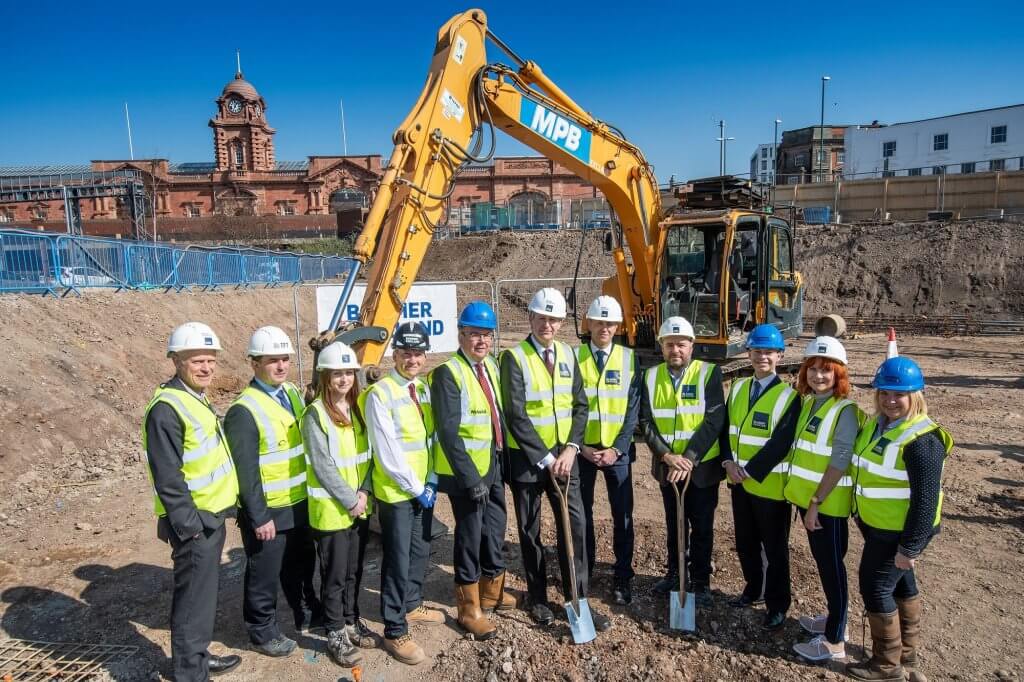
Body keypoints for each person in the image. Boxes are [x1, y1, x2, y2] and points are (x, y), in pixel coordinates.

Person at [499, 287, 611, 633]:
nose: (548, 324)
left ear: (563, 323)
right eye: (542, 317)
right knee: (530, 532)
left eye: (554, 319)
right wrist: (547, 457)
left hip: (566, 461)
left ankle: (577, 598)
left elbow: (580, 406)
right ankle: (538, 598)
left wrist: (572, 448)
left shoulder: (567, 355)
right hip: (530, 462)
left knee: (573, 529)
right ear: (530, 317)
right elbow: (516, 415)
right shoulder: (514, 359)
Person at [142, 322, 241, 681]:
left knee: (202, 598)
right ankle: (189, 673)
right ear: (176, 360)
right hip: (195, 523)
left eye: (210, 360)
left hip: (210, 517)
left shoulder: (192, 397)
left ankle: (196, 657)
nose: (206, 368)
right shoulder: (167, 409)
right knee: (192, 602)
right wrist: (191, 529)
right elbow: (168, 478)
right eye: (197, 360)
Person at [846, 357, 952, 682]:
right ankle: (906, 653)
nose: (890, 400)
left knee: (876, 587)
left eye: (899, 394)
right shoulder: (878, 426)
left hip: (898, 532)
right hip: (880, 526)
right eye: (885, 393)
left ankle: (885, 665)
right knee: (902, 585)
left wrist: (910, 548)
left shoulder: (922, 441)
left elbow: (926, 500)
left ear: (916, 395)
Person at [224, 326, 320, 658]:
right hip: (269, 512)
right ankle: (262, 631)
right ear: (254, 363)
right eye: (272, 360)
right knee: (264, 573)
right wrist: (258, 516)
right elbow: (246, 471)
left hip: (298, 502)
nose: (280, 366)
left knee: (302, 564)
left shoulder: (291, 393)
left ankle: (305, 612)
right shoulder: (244, 410)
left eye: (285, 359)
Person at [431, 301, 517, 641]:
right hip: (467, 472)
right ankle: (469, 610)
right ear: (461, 334)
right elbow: (449, 432)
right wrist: (470, 479)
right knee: (469, 536)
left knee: (495, 528)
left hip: (492, 464)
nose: (481, 341)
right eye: (474, 334)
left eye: (486, 335)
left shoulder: (490, 367)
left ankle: (492, 592)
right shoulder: (448, 373)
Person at [360, 321, 444, 666]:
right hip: (398, 492)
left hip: (423, 486)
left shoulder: (421, 388)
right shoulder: (381, 394)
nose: (412, 359)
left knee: (420, 549)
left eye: (418, 353)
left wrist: (434, 476)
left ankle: (412, 604)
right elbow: (386, 449)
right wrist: (416, 486)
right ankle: (394, 629)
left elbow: (430, 437)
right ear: (395, 354)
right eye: (406, 353)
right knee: (397, 558)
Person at [783, 337, 861, 662]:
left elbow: (839, 460)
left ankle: (834, 642)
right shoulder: (810, 403)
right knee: (826, 565)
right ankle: (835, 621)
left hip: (825, 506)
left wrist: (815, 502)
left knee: (832, 568)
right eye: (812, 369)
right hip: (809, 502)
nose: (818, 376)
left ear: (839, 374)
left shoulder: (844, 410)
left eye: (826, 371)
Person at [301, 341, 378, 668]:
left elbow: (368, 456)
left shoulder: (358, 408)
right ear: (324, 376)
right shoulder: (316, 414)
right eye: (338, 373)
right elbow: (323, 464)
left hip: (358, 506)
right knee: (333, 575)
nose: (344, 378)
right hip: (332, 512)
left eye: (349, 372)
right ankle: (334, 631)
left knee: (353, 571)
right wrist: (350, 499)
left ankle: (350, 619)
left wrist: (363, 492)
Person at [641, 316, 726, 607]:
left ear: (691, 346)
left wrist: (688, 459)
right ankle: (675, 574)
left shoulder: (709, 374)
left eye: (681, 344)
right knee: (673, 523)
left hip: (701, 469)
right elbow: (646, 421)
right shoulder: (650, 377)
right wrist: (666, 456)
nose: (675, 350)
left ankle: (701, 581)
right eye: (669, 344)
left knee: (701, 526)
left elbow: (715, 419)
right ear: (661, 347)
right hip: (667, 466)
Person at [722, 323, 800, 631]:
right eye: (756, 351)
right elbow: (726, 429)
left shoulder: (788, 397)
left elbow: (780, 443)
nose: (762, 357)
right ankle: (753, 588)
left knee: (775, 549)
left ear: (779, 355)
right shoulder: (739, 387)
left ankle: (777, 604)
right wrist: (728, 462)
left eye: (768, 352)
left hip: (769, 488)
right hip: (738, 483)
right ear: (749, 352)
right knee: (745, 542)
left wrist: (749, 471)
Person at [575, 296, 640, 605]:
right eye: (599, 322)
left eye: (610, 323)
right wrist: (581, 447)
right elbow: (567, 407)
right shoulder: (574, 358)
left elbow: (632, 411)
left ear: (618, 326)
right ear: (589, 324)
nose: (604, 327)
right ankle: (582, 575)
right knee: (581, 515)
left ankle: (623, 577)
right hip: (583, 452)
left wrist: (617, 448)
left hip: (618, 453)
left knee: (622, 516)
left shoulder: (629, 359)